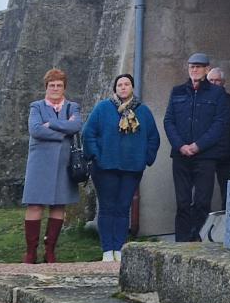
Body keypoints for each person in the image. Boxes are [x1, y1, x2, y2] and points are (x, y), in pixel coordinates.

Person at [83, 73, 161, 261]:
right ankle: (107, 250)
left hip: (132, 168)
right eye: (120, 85)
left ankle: (119, 248)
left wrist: (145, 158)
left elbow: (153, 137)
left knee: (122, 207)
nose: (123, 87)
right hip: (105, 168)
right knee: (108, 207)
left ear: (132, 87)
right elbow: (88, 132)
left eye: (127, 84)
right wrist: (95, 156)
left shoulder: (143, 111)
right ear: (115, 88)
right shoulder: (103, 108)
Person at [163, 52, 229, 242]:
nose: (194, 70)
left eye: (198, 67)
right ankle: (182, 242)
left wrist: (198, 146)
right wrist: (180, 145)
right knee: (182, 202)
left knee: (202, 202)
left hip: (205, 156)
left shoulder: (217, 93)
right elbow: (169, 121)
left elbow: (219, 124)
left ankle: (199, 241)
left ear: (207, 69)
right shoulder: (177, 91)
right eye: (192, 66)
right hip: (181, 155)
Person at [21, 68, 84, 263]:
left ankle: (50, 251)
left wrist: (51, 124)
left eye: (59, 85)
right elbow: (36, 130)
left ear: (64, 88)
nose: (55, 89)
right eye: (52, 85)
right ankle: (31, 251)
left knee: (58, 205)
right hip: (39, 163)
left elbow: (76, 126)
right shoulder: (36, 107)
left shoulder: (72, 107)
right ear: (46, 87)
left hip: (64, 163)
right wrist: (63, 130)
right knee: (35, 205)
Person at [208, 65, 230, 205]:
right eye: (211, 81)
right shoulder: (202, 102)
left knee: (227, 194)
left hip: (226, 155)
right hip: (206, 154)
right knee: (203, 193)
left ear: (223, 82)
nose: (214, 83)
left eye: (217, 80)